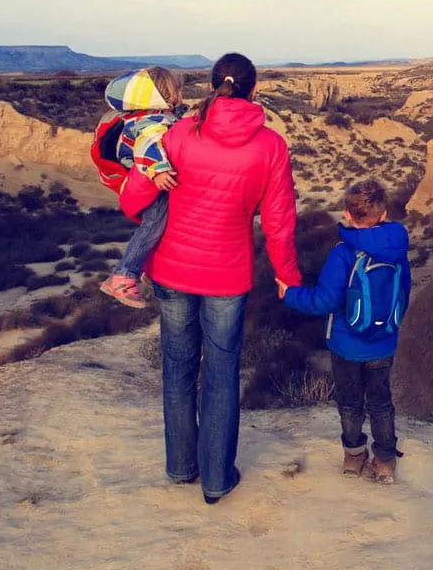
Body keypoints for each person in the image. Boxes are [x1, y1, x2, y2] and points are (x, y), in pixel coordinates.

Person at [120, 53, 302, 504]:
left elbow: (135, 200)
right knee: (221, 374)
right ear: (253, 90)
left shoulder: (179, 132)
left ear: (212, 85)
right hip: (227, 276)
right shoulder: (270, 146)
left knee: (178, 368)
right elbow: (278, 221)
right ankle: (217, 480)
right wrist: (287, 276)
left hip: (172, 271)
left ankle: (181, 467)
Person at [278, 178, 410, 484]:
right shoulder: (398, 247)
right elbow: (403, 292)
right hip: (383, 343)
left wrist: (291, 294)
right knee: (381, 402)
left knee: (350, 402)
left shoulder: (343, 253)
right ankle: (386, 461)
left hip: (346, 343)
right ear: (383, 213)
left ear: (347, 215)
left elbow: (324, 300)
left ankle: (354, 457)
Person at [91, 67, 184, 309]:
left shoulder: (142, 115)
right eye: (175, 89)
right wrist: (159, 170)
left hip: (135, 182)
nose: (179, 93)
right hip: (148, 183)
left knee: (158, 228)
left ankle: (145, 268)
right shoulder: (152, 122)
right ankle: (124, 276)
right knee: (153, 226)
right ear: (163, 93)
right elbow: (149, 144)